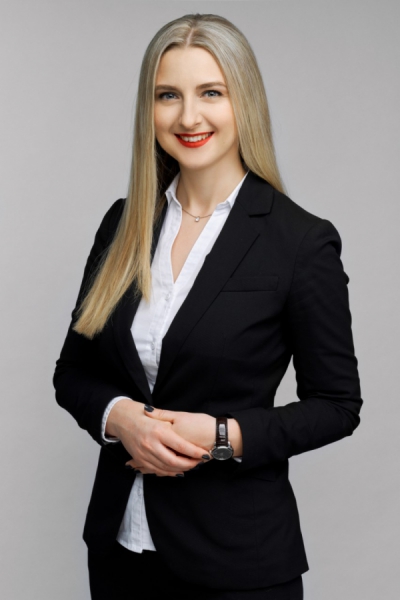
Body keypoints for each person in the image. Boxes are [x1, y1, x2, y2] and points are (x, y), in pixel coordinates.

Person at [53, 13, 363, 600]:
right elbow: (73, 373)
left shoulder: (300, 241)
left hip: (237, 566)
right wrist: (121, 418)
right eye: (168, 95)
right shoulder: (123, 224)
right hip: (120, 553)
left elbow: (337, 405)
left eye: (211, 93)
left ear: (244, 100)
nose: (188, 117)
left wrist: (224, 435)